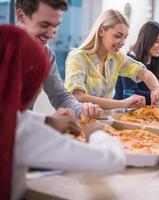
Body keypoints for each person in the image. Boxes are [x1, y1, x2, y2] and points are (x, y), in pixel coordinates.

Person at [0, 25, 126, 200]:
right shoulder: (21, 132)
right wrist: (96, 133)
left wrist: (48, 121)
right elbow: (112, 160)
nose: (52, 33)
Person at [16, 0, 101, 119]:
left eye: (55, 25)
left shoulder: (46, 54)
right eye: (45, 25)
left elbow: (60, 96)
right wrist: (47, 122)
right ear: (21, 16)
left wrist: (82, 110)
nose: (51, 34)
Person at [65, 10, 159, 109]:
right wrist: (123, 103)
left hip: (104, 120)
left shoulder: (116, 57)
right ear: (101, 31)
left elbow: (144, 73)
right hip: (78, 120)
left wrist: (156, 89)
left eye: (125, 37)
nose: (123, 43)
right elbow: (77, 96)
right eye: (118, 36)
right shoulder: (77, 57)